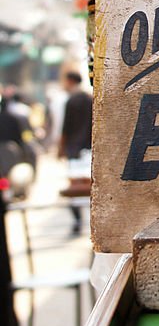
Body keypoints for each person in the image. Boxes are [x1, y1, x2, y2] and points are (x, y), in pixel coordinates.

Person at [58, 71, 92, 235]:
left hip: (74, 150)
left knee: (74, 188)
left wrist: (61, 148)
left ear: (70, 80)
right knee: (91, 188)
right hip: (90, 149)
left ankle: (78, 221)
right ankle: (93, 222)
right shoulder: (90, 97)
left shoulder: (71, 100)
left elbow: (65, 127)